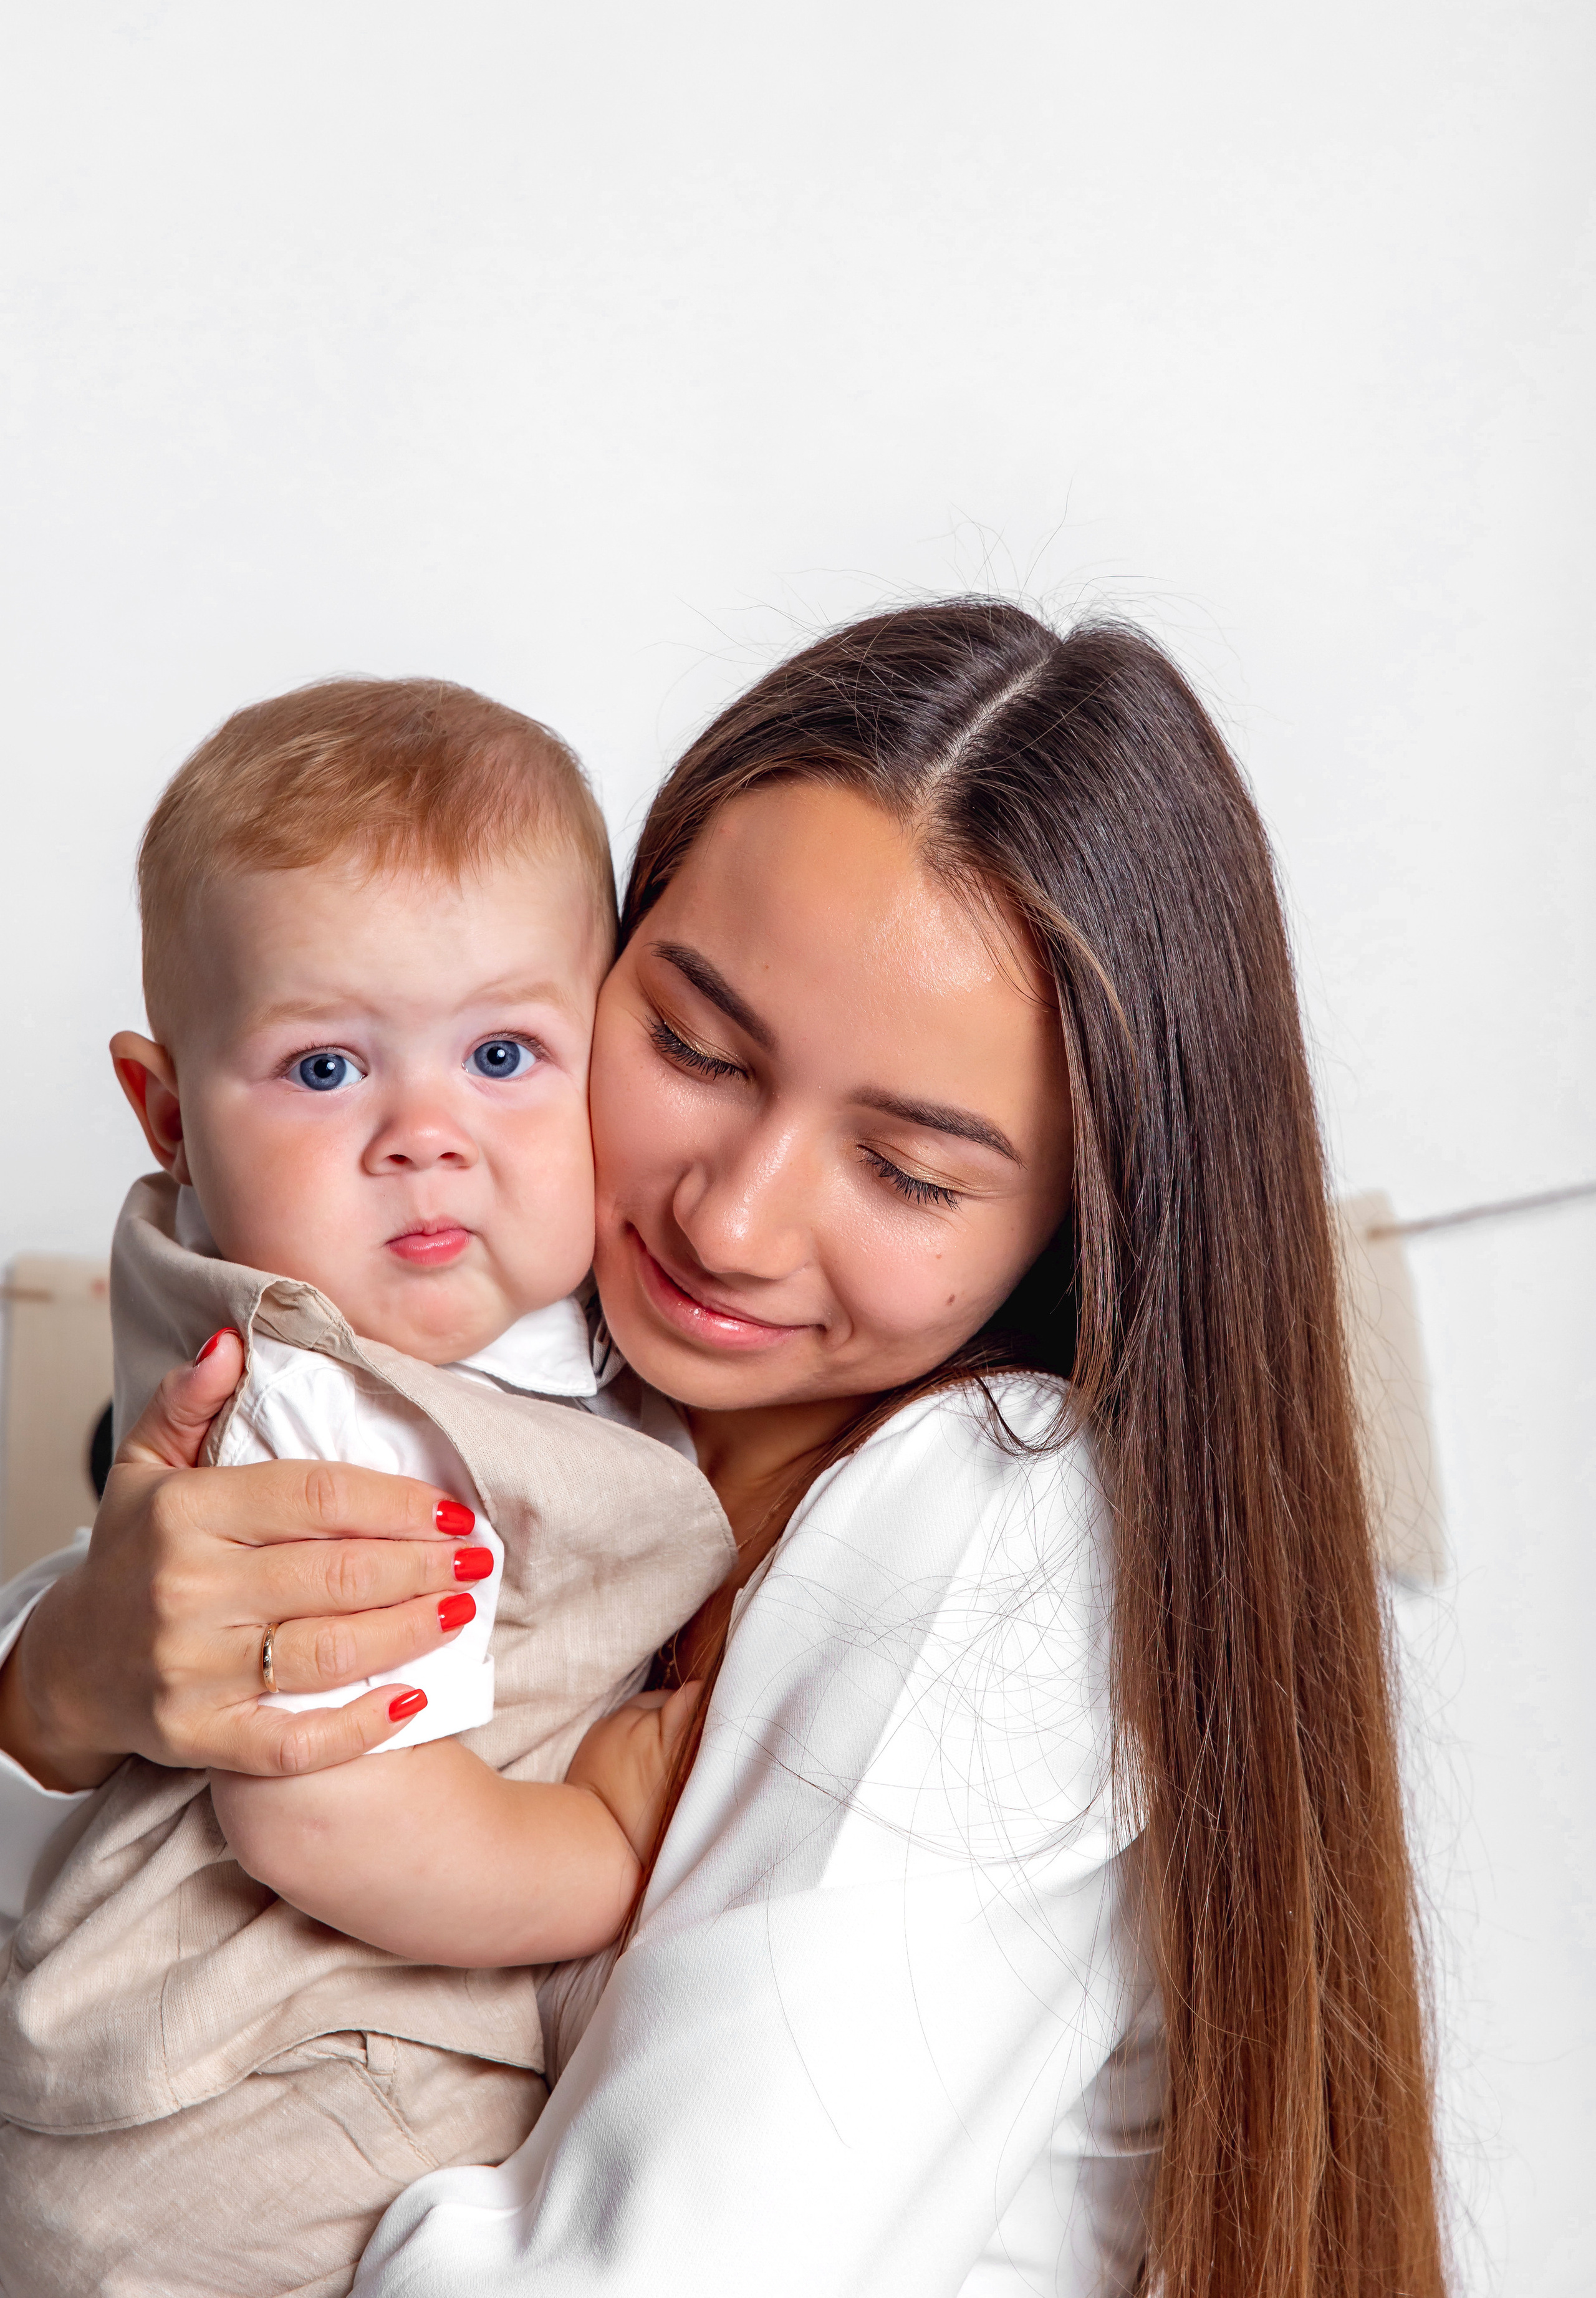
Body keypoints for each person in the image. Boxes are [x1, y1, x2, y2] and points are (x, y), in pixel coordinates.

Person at [0, 601, 1447, 2298]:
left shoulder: (992, 1513)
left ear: (1078, 1229)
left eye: (907, 1171)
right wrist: (64, 1689)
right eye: (694, 1046)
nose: (733, 1220)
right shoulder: (510, 1380)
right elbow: (122, 1946)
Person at [0, 680, 733, 2296]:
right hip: (241, 2122)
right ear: (171, 1113)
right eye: (327, 1068)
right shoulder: (318, 1413)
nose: (427, 1135)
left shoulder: (562, 1333)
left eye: (501, 1051)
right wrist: (610, 1830)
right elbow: (329, 1818)